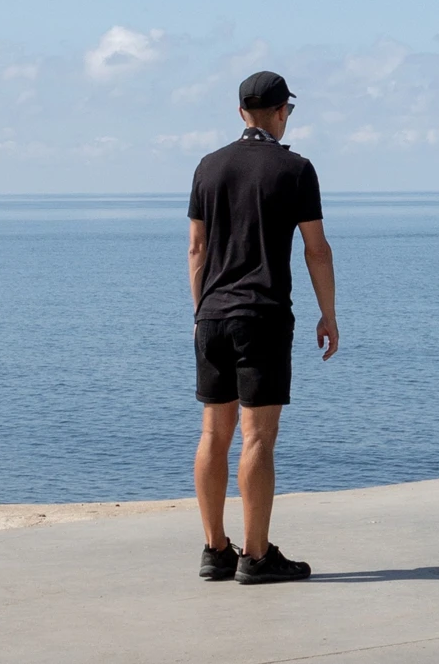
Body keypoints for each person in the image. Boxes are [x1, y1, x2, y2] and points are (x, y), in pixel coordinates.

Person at [187, 70, 339, 584]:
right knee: (257, 439)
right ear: (280, 113)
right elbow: (317, 249)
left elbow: (196, 249)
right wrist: (328, 314)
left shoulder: (208, 167)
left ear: (240, 113)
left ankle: (215, 549)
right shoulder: (296, 169)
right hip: (263, 316)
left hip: (212, 315)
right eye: (287, 110)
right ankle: (255, 556)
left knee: (214, 433)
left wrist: (200, 313)